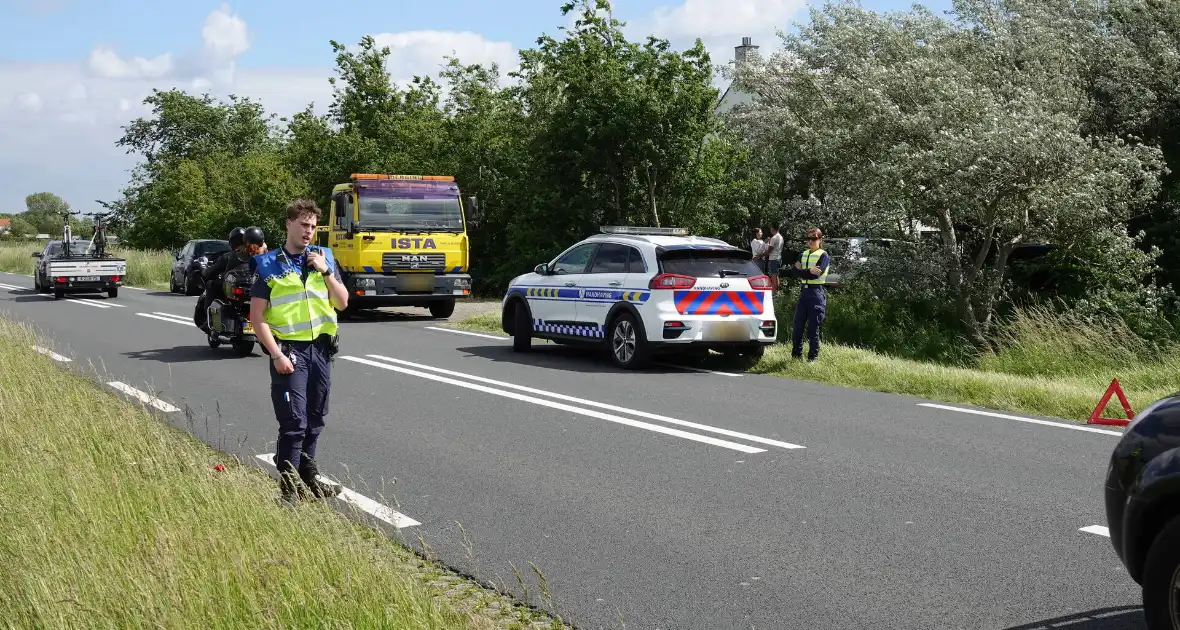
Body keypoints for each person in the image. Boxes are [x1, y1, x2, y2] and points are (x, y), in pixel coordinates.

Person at [248, 200, 349, 501]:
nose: (309, 232)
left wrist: (327, 271)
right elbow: (257, 318)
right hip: (289, 351)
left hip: (321, 349)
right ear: (289, 224)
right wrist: (276, 354)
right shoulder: (267, 264)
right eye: (304, 225)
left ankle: (311, 477)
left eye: (313, 227)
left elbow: (342, 302)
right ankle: (289, 489)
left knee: (316, 416)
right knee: (294, 421)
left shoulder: (324, 258)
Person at [194, 227, 246, 332]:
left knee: (211, 285)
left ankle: (209, 321)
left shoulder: (229, 256)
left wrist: (203, 268)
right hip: (252, 289)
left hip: (232, 289)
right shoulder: (257, 255)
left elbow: (209, 272)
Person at [791, 227, 830, 362]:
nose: (810, 241)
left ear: (820, 239)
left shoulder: (823, 255)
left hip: (816, 293)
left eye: (813, 238)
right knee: (797, 327)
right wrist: (808, 271)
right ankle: (796, 357)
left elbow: (817, 274)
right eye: (808, 238)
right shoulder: (802, 254)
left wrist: (802, 271)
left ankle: (812, 358)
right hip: (804, 292)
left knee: (813, 328)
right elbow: (793, 272)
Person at [765, 225, 784, 293]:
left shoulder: (774, 238)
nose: (770, 230)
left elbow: (769, 250)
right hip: (778, 258)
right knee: (776, 275)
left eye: (771, 229)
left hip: (773, 259)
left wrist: (760, 255)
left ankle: (773, 292)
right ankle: (777, 291)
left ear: (773, 229)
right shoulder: (781, 237)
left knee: (773, 276)